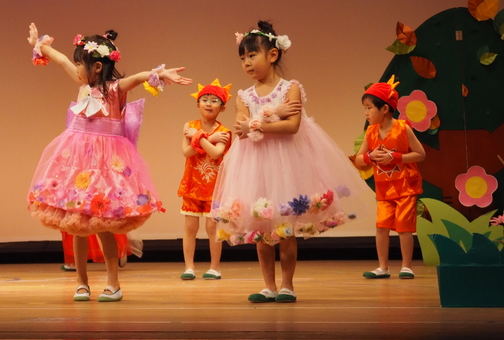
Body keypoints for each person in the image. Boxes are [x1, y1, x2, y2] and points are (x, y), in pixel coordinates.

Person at [211, 21, 376, 304]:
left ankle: (287, 285)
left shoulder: (291, 88)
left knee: (285, 227)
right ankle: (268, 286)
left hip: (286, 165)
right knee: (262, 229)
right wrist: (273, 114)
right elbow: (241, 129)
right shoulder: (244, 96)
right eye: (242, 58)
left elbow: (292, 127)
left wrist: (258, 124)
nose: (246, 62)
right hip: (255, 166)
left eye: (252, 55)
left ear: (272, 55)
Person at [26, 23, 191, 302]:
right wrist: (40, 46)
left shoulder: (115, 89)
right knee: (76, 226)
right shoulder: (82, 85)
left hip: (105, 166)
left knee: (103, 226)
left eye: (81, 64)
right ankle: (81, 282)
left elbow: (137, 78)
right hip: (78, 162)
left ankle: (113, 283)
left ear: (98, 67)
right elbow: (62, 59)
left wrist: (158, 74)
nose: (76, 69)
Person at [354, 76, 426, 280]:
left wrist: (396, 157)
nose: (366, 113)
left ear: (384, 109)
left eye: (369, 108)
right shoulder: (371, 132)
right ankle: (383, 267)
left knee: (404, 227)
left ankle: (406, 266)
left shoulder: (403, 128)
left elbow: (420, 154)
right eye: (365, 108)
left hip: (405, 187)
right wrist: (370, 156)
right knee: (381, 227)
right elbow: (359, 159)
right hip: (384, 189)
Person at [178, 79, 232, 281]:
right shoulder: (189, 126)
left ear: (222, 107)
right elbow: (186, 152)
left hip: (214, 187)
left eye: (214, 101)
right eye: (205, 100)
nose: (209, 104)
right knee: (190, 228)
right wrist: (208, 139)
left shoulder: (224, 132)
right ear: (198, 104)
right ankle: (189, 267)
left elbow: (216, 154)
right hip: (192, 184)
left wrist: (199, 137)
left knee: (212, 228)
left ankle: (215, 268)